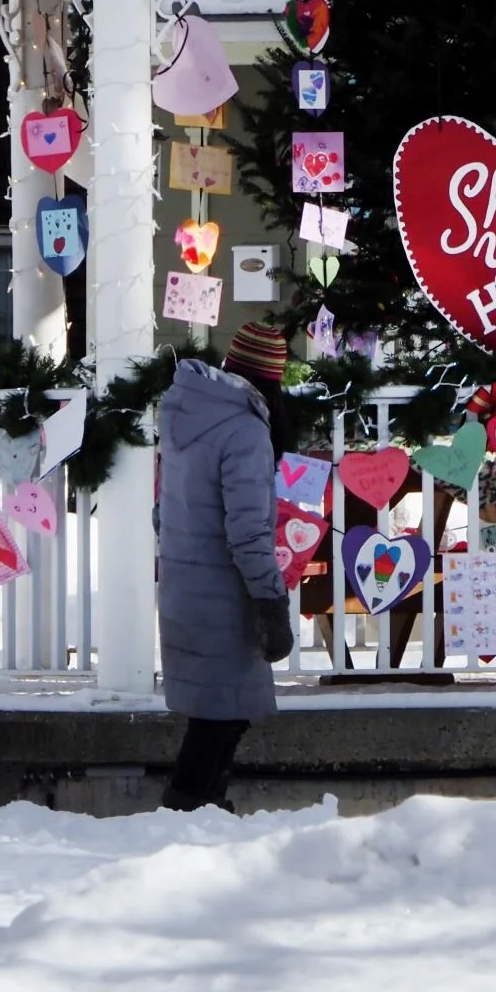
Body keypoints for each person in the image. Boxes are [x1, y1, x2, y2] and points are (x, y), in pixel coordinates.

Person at [155, 348, 295, 811]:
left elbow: (165, 511)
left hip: (184, 585)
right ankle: (186, 816)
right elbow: (248, 531)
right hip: (224, 596)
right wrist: (271, 602)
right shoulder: (244, 429)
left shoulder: (187, 414)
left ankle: (204, 815)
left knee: (220, 717)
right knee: (219, 720)